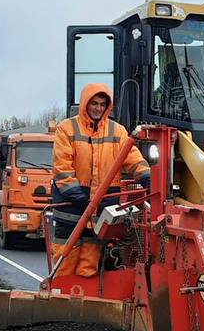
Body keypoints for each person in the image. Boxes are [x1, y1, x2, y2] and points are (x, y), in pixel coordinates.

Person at [50, 83, 152, 277]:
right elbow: (62, 171)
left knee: (89, 267)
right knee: (65, 262)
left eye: (102, 104)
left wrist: (148, 178)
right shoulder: (66, 129)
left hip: (99, 213)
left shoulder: (117, 131)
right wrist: (81, 200)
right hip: (70, 210)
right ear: (85, 104)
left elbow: (133, 159)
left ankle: (84, 303)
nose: (98, 108)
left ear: (107, 106)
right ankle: (61, 300)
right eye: (94, 103)